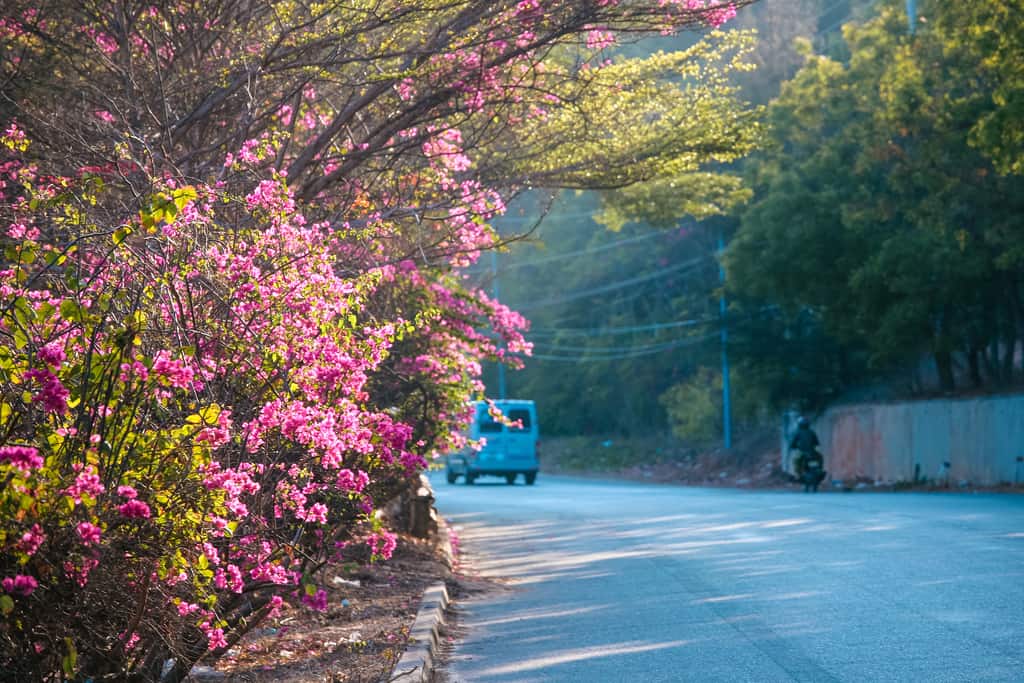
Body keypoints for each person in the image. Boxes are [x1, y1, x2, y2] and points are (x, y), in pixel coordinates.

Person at [790, 417, 825, 492]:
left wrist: (794, 446)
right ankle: (820, 469)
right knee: (820, 457)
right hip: (812, 452)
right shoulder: (812, 432)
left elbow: (793, 443)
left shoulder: (797, 432)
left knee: (796, 461)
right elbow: (817, 443)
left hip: (802, 452)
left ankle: (798, 474)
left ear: (799, 424)